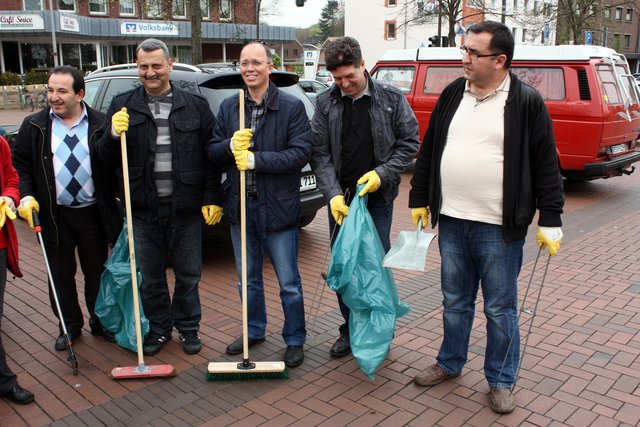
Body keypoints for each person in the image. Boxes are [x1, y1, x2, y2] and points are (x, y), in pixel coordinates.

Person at [408, 21, 564, 414]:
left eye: (473, 53)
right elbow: (429, 151)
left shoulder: (526, 103)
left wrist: (551, 218)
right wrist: (419, 197)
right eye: (464, 50)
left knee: (500, 308)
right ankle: (450, 362)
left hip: (499, 228)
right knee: (455, 301)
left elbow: (546, 164)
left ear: (500, 60)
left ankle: (500, 379)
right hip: (453, 221)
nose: (465, 58)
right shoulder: (450, 95)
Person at [94, 38, 222, 356]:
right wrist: (111, 134)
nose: (151, 72)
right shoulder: (122, 105)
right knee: (150, 276)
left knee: (189, 274)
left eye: (156, 65)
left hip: (186, 208)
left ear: (170, 64)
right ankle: (161, 329)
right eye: (144, 66)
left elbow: (212, 157)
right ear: (137, 68)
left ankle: (189, 328)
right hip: (142, 209)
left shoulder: (195, 105)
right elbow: (102, 158)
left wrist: (212, 197)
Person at [310, 36, 419, 358]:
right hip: (342, 202)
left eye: (350, 77)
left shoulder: (390, 98)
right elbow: (319, 153)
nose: (345, 84)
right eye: (338, 79)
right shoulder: (326, 102)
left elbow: (409, 143)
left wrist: (382, 174)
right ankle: (349, 329)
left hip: (378, 200)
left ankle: (376, 326)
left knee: (372, 267)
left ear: (363, 66)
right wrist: (331, 195)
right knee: (345, 267)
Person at [208, 42, 310, 368]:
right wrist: (228, 145)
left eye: (256, 62)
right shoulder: (229, 107)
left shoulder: (291, 108)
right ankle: (253, 330)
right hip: (241, 208)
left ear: (269, 66)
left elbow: (299, 154)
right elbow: (212, 152)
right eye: (244, 63)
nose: (249, 68)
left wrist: (255, 160)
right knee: (247, 279)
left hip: (278, 208)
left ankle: (295, 339)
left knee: (289, 282)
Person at [12, 66, 119, 352]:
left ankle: (100, 321)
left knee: (96, 273)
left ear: (80, 94)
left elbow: (114, 165)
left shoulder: (100, 123)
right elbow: (19, 166)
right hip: (52, 215)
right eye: (50, 90)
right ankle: (69, 327)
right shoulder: (34, 126)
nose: (54, 97)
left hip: (92, 213)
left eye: (61, 91)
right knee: (60, 275)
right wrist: (27, 195)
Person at [0, 135, 34, 405]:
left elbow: (12, 178)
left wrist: (10, 197)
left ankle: (3, 380)